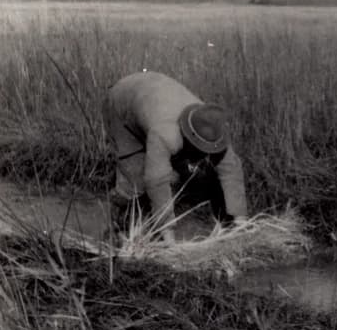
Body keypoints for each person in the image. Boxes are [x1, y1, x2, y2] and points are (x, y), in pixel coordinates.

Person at [103, 71, 248, 243]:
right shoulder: (166, 134)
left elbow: (231, 170)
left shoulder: (211, 124)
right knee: (135, 179)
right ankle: (113, 224)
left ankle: (146, 218)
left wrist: (241, 224)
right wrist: (170, 242)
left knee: (177, 172)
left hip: (154, 93)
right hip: (123, 100)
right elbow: (157, 181)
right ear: (188, 135)